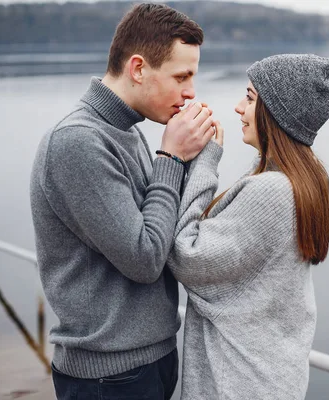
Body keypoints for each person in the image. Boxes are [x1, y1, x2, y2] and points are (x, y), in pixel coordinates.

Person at [29, 4, 217, 399]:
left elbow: (162, 226)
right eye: (181, 76)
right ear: (138, 69)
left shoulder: (126, 131)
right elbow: (145, 258)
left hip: (147, 362)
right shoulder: (76, 141)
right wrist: (171, 157)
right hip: (107, 377)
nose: (190, 92)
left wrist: (195, 158)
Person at [168, 54, 329, 399]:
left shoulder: (272, 191)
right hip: (267, 378)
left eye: (249, 98)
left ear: (275, 113)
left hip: (240, 384)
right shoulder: (303, 180)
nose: (237, 107)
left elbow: (185, 255)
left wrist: (201, 163)